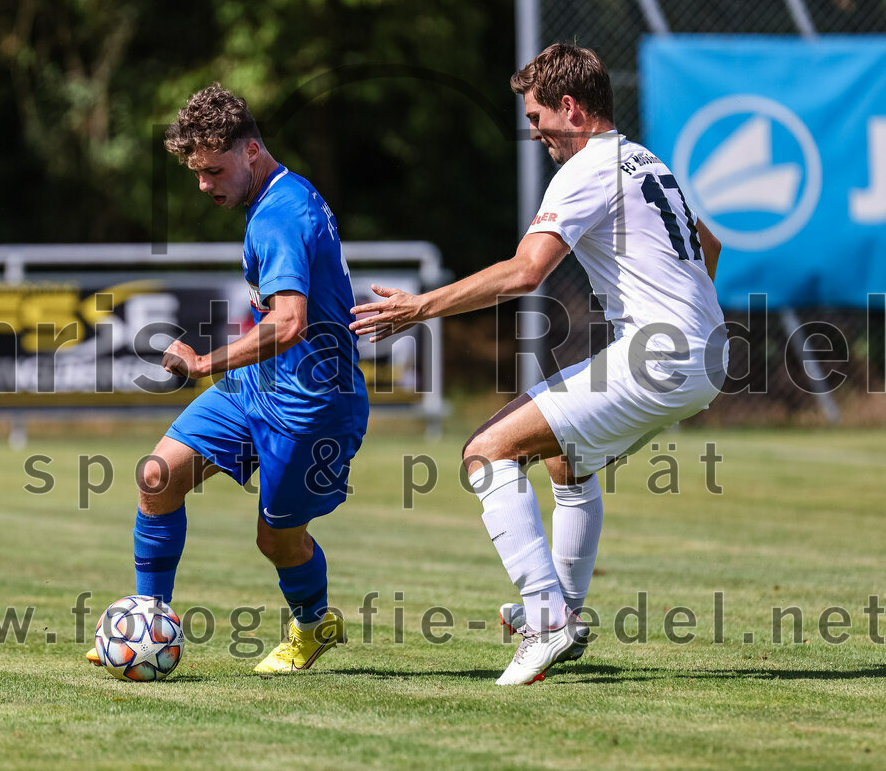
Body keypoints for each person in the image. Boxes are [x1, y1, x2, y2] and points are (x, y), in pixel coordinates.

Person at [349, 43, 728, 685]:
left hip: (662, 355)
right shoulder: (645, 160)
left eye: (537, 117)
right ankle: (567, 612)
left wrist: (421, 308)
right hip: (705, 353)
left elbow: (526, 272)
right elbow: (710, 244)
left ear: (571, 109)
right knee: (564, 458)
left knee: (485, 451)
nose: (533, 131)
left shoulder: (584, 170)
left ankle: (547, 619)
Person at [87, 84, 369, 673]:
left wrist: (202, 364)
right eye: (196, 173)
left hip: (312, 404)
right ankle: (147, 623)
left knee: (277, 541)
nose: (204, 185)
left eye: (214, 171)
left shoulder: (280, 216)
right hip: (261, 386)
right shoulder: (279, 197)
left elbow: (289, 323)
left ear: (251, 152)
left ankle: (313, 625)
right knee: (158, 476)